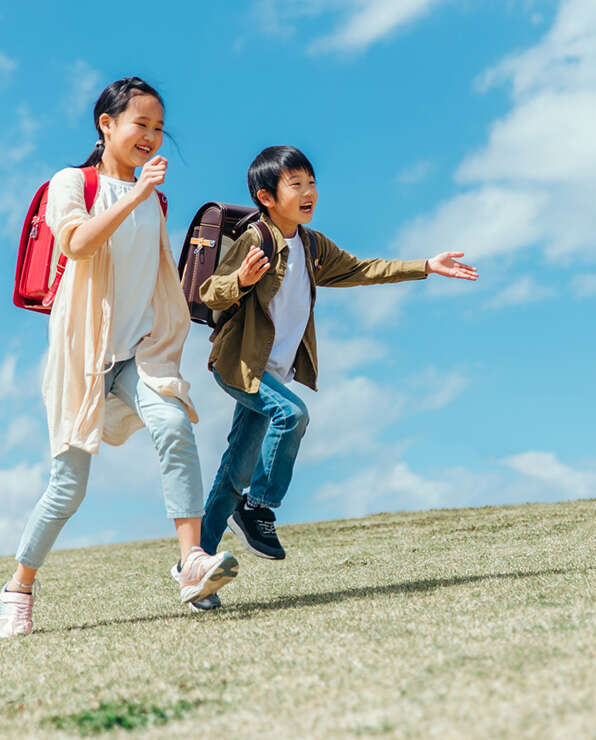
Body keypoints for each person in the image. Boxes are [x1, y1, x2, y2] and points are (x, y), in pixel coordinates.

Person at [0, 77, 237, 638]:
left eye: (158, 127)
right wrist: (134, 194)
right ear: (107, 125)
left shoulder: (155, 198)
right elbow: (77, 243)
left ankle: (191, 565)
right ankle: (18, 588)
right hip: (83, 358)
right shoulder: (70, 183)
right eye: (141, 124)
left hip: (138, 353)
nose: (152, 136)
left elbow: (152, 273)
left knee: (175, 426)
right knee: (67, 488)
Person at [197, 145, 478, 580]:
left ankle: (195, 565)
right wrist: (241, 279)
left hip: (270, 371)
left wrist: (425, 265)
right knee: (291, 415)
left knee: (233, 475)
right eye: (296, 185)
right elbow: (210, 291)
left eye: (311, 183)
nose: (309, 192)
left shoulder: (311, 245)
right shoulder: (257, 239)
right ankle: (260, 509)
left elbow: (361, 268)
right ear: (266, 196)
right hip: (240, 366)